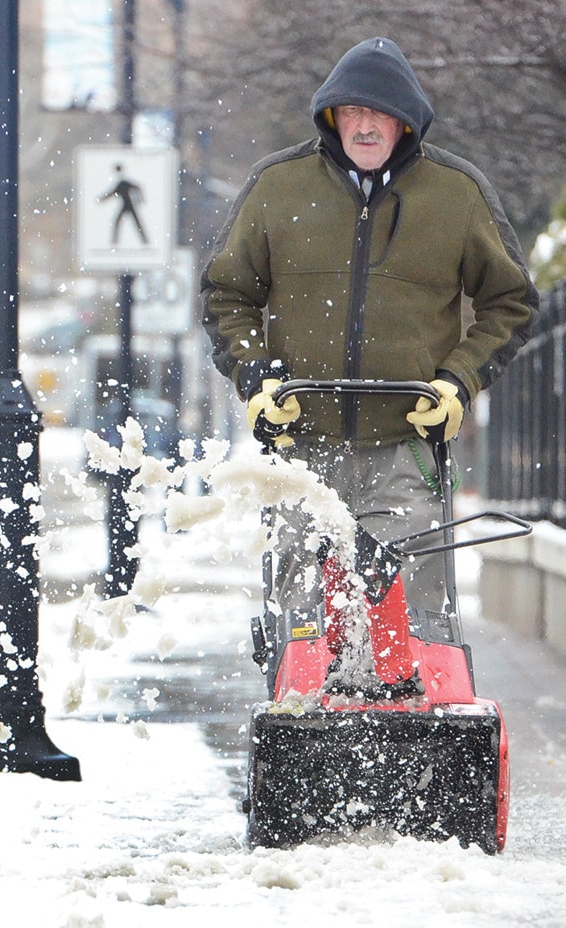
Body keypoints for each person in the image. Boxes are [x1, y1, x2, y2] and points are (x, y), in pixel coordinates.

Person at [201, 38, 538, 691]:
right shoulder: (278, 186)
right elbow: (226, 294)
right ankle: (296, 729)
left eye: (379, 113)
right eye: (351, 110)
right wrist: (256, 377)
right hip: (302, 448)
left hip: (404, 450)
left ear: (405, 121)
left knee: (413, 616)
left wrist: (457, 381)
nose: (363, 124)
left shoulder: (456, 194)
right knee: (301, 618)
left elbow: (511, 301)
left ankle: (426, 746)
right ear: (330, 116)